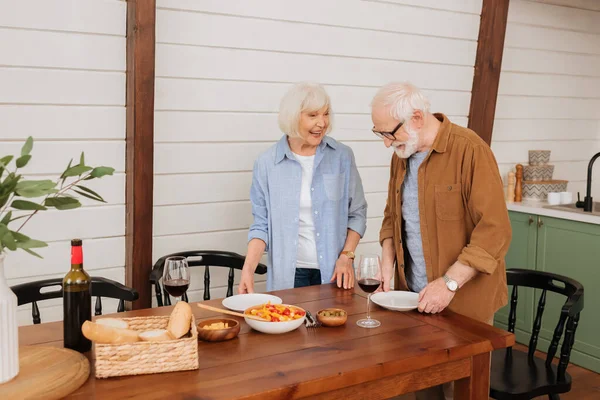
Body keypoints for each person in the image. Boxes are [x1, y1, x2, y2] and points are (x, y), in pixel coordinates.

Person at [371, 82, 511, 400]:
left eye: (389, 133)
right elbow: (393, 216)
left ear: (417, 118)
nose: (385, 143)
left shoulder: (470, 150)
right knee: (426, 388)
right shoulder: (401, 155)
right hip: (416, 298)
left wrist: (447, 284)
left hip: (464, 301)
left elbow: (495, 230)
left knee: (463, 391)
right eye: (379, 133)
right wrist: (387, 264)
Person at [239, 82, 367, 293]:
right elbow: (262, 225)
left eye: (325, 114)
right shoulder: (267, 164)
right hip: (288, 276)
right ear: (293, 117)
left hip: (335, 273)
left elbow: (358, 213)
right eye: (313, 115)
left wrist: (347, 255)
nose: (322, 123)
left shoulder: (341, 156)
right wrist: (248, 269)